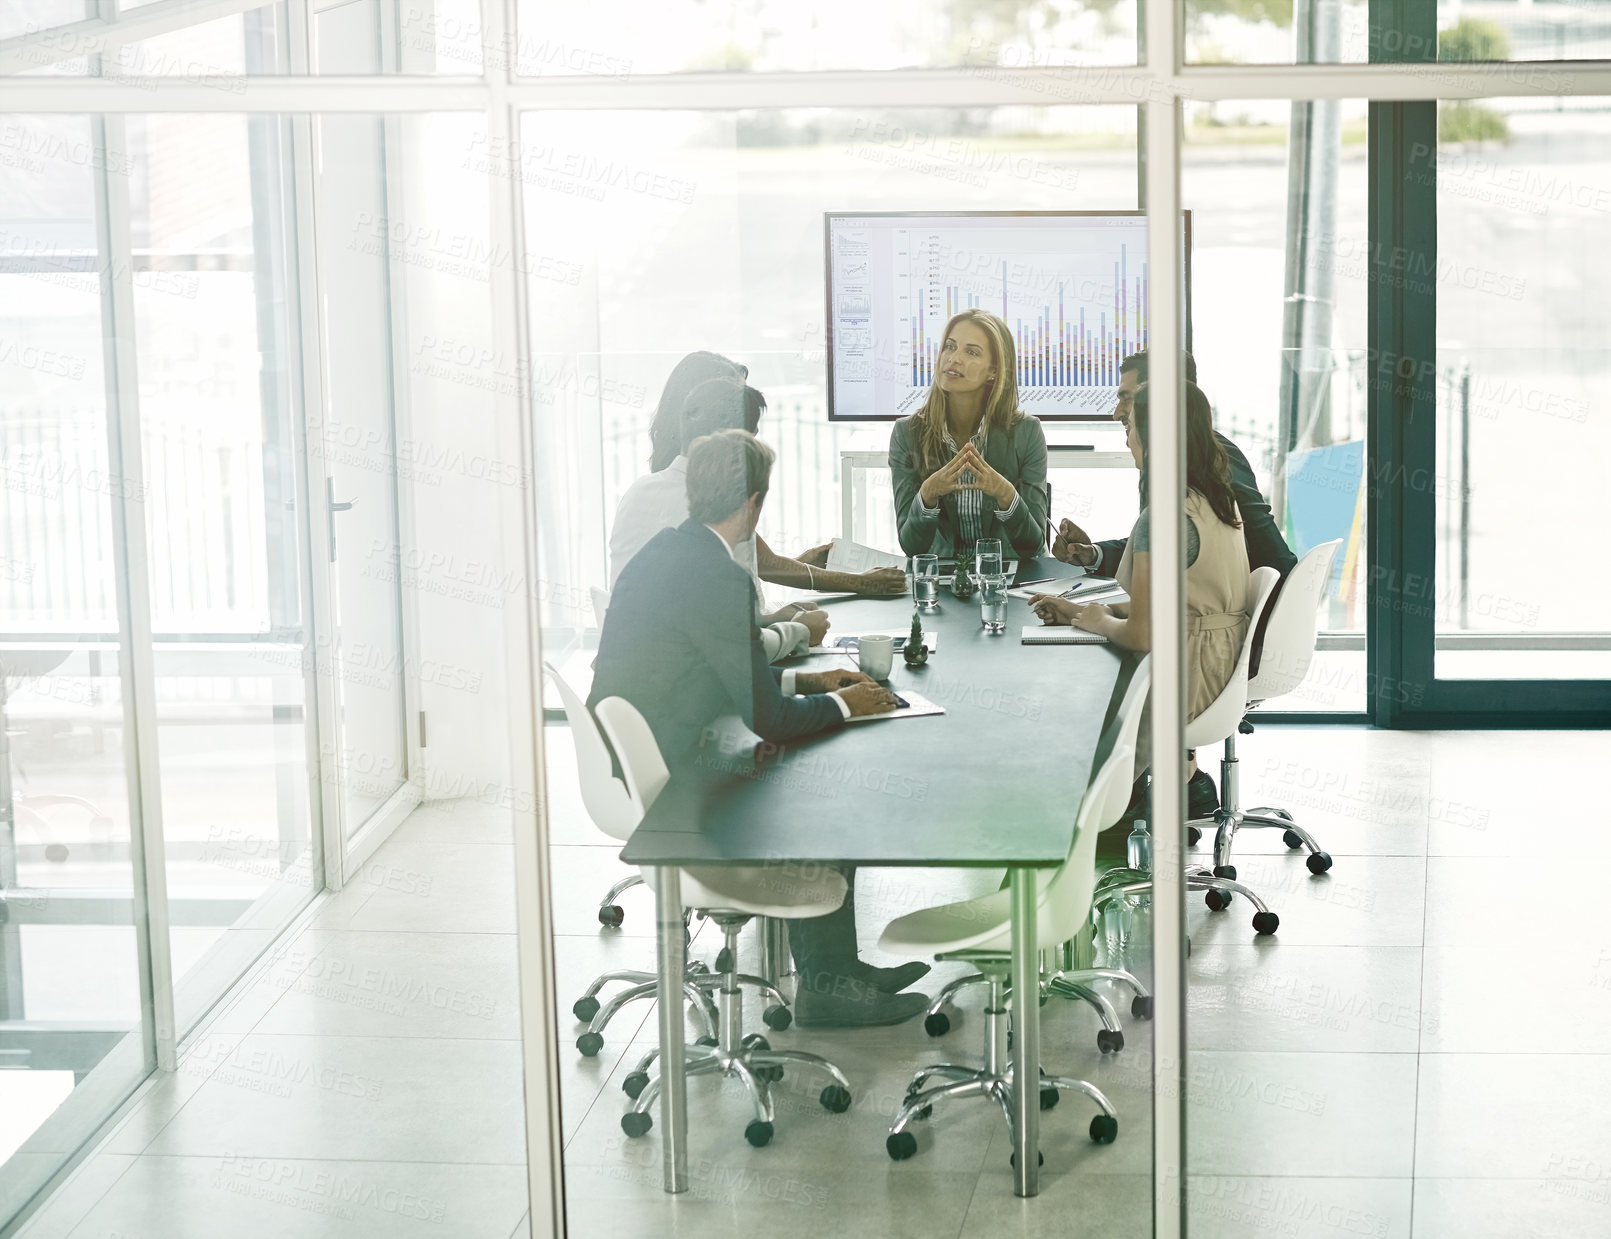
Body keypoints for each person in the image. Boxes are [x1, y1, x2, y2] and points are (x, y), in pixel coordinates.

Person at [590, 429, 931, 1027]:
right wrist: (855, 706)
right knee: (827, 782)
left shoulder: (667, 552)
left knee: (818, 768)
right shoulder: (719, 577)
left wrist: (815, 685)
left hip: (653, 751)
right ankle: (827, 988)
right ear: (754, 503)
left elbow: (717, 677)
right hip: (679, 780)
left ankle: (838, 971)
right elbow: (765, 718)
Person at [1050, 349, 1296, 817]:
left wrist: (1100, 618)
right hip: (1221, 652)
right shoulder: (1212, 493)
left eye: (1129, 419)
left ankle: (1103, 812)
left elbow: (1146, 627)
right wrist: (1082, 609)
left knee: (1080, 691)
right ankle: (1172, 786)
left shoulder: (1167, 507)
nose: (1123, 428)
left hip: (1197, 668)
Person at [638, 351, 907, 598]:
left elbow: (754, 562)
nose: (752, 433)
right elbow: (763, 565)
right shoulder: (692, 496)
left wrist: (799, 564)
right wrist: (861, 583)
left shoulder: (653, 487)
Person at [611, 377, 829, 661]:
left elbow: (707, 619)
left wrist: (774, 619)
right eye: (751, 436)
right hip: (690, 679)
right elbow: (739, 652)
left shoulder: (637, 492)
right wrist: (797, 631)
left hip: (637, 666)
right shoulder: (720, 514)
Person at [889, 308, 1049, 561]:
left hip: (1006, 581)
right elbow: (911, 546)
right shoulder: (906, 434)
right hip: (942, 582)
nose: (954, 359)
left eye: (971, 352)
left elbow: (1032, 546)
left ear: (993, 371)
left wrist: (1005, 494)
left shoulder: (1026, 432)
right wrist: (928, 494)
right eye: (950, 347)